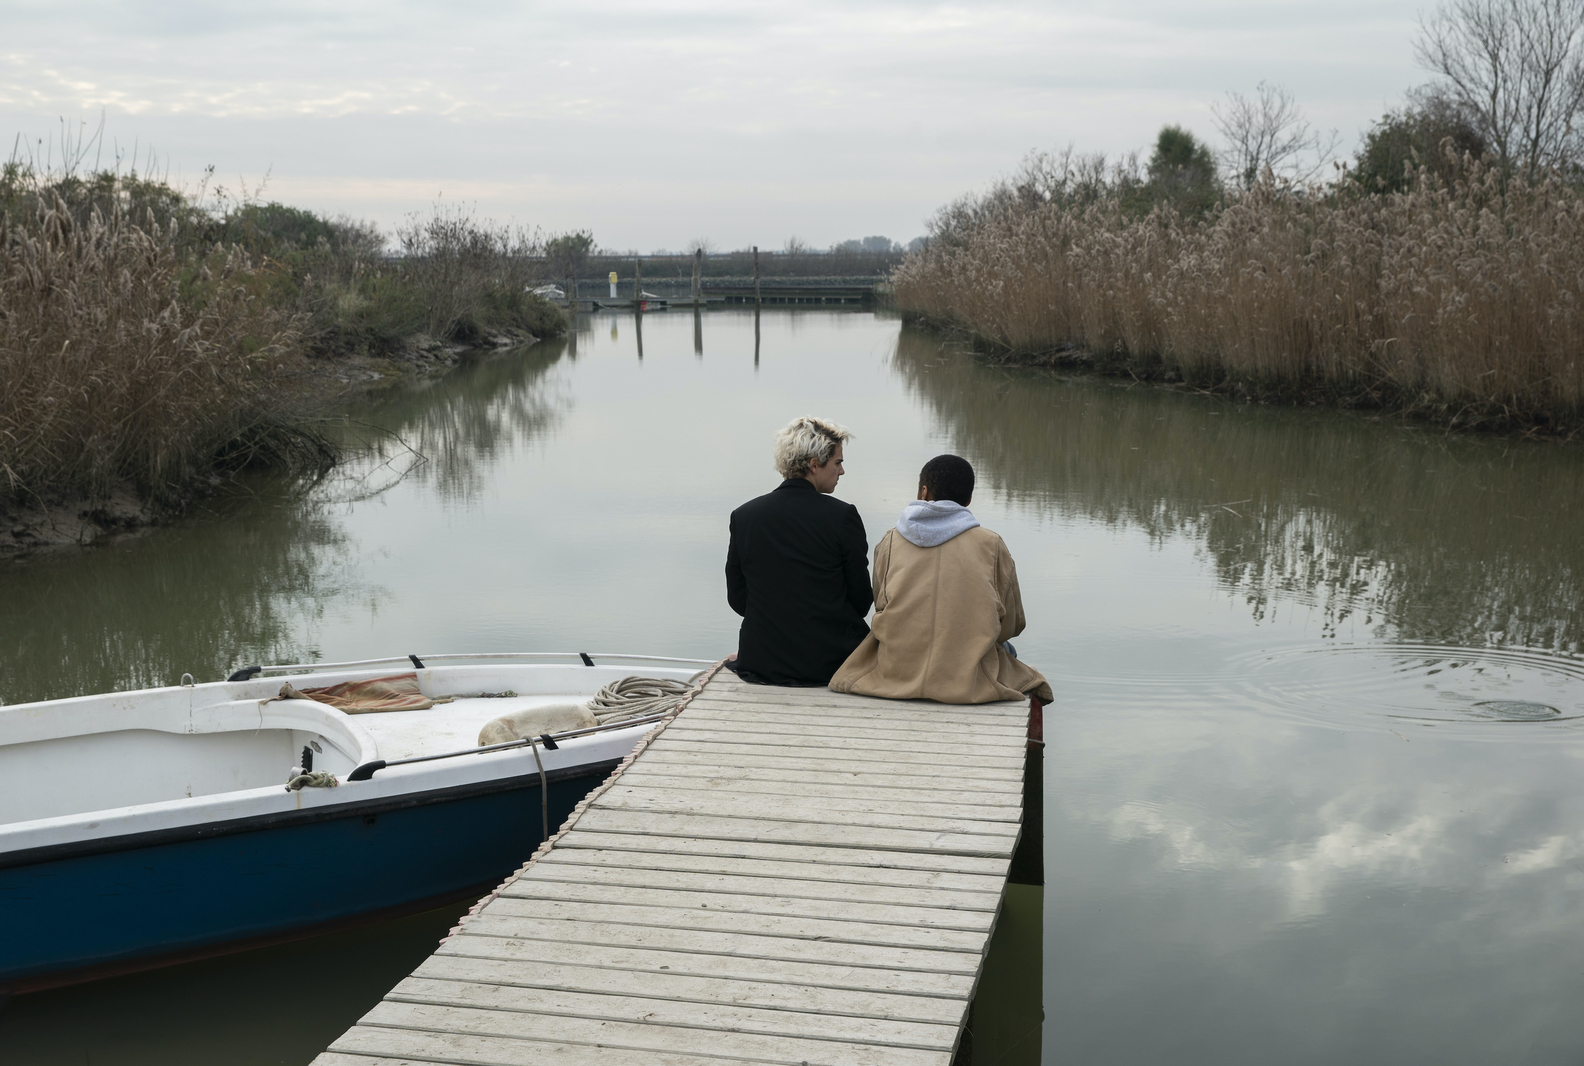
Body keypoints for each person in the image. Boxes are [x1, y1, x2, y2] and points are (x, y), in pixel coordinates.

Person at [830, 454, 1052, 704]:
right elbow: (1013, 623)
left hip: (896, 671)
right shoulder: (992, 545)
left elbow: (881, 605)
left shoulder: (891, 541)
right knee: (1007, 650)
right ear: (968, 500)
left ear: (923, 492)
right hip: (967, 680)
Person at [726, 416, 872, 686]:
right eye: (838, 462)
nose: (841, 472)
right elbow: (861, 601)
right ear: (814, 465)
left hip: (761, 663)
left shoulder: (744, 516)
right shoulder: (842, 516)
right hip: (831, 664)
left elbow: (738, 599)